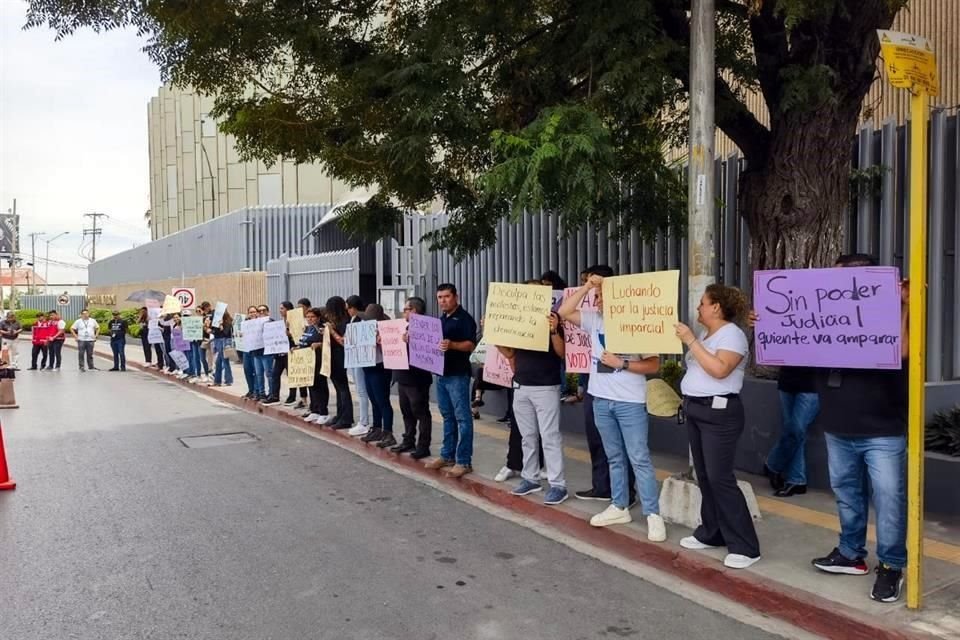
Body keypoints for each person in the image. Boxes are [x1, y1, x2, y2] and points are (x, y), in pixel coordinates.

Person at [810, 254, 909, 603]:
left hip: (882, 430)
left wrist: (904, 307)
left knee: (889, 500)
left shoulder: (890, 315)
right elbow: (794, 341)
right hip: (838, 427)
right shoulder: (823, 315)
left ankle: (891, 565)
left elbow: (903, 350)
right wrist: (771, 324)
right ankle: (851, 553)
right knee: (848, 496)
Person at [559, 267, 665, 541]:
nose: (598, 301)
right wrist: (586, 287)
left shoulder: (637, 322)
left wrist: (623, 364)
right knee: (614, 456)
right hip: (601, 399)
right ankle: (619, 505)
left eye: (602, 296)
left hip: (630, 400)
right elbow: (563, 311)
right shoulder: (594, 320)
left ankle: (653, 514)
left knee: (639, 457)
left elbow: (654, 364)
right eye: (596, 297)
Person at [674, 283, 760, 568]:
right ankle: (712, 532)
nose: (698, 307)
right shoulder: (706, 334)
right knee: (705, 475)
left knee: (720, 477)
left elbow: (720, 370)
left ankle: (746, 546)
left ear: (716, 307)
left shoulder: (732, 335)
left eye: (702, 302)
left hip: (720, 413)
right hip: (698, 410)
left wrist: (690, 341)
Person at [495, 307, 569, 506]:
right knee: (527, 436)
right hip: (521, 385)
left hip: (546, 387)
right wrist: (494, 335)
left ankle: (558, 485)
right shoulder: (519, 325)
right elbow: (510, 354)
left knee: (549, 437)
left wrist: (554, 330)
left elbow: (562, 353)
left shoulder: (552, 322)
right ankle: (530, 478)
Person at [424, 283, 477, 478]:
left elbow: (471, 345)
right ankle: (447, 455)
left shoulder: (465, 319)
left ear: (456, 297)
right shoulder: (440, 320)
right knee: (447, 416)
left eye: (446, 296)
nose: (443, 301)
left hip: (457, 375)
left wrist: (452, 345)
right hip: (441, 374)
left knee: (463, 417)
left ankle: (464, 460)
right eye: (440, 297)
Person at [393, 296, 433, 459]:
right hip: (403, 376)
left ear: (414, 311)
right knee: (406, 411)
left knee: (420, 411)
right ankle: (408, 439)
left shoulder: (427, 327)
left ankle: (423, 446)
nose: (404, 313)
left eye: (406, 309)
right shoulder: (403, 327)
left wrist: (413, 340)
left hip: (417, 378)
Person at [357, 304, 396, 447]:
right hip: (367, 365)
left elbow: (393, 348)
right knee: (373, 398)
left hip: (380, 366)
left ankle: (388, 432)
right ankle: (377, 427)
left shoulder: (386, 330)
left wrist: (380, 340)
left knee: (382, 400)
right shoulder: (363, 324)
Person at [322, 296, 353, 429]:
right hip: (333, 356)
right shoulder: (334, 321)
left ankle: (346, 417)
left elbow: (343, 341)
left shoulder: (345, 322)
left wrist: (331, 330)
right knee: (338, 388)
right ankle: (340, 414)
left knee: (343, 388)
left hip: (340, 356)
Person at [298, 307, 329, 423]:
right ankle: (314, 410)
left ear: (318, 317)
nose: (310, 319)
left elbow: (328, 343)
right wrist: (296, 347)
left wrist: (319, 344)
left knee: (320, 386)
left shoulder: (322, 329)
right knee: (311, 386)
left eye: (313, 317)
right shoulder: (308, 328)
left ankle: (323, 412)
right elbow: (303, 342)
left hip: (319, 361)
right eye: (308, 317)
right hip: (308, 362)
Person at [345, 295, 372, 432]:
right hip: (355, 357)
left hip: (361, 358)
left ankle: (364, 421)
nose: (347, 311)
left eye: (348, 308)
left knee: (362, 391)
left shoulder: (361, 320)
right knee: (360, 390)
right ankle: (364, 420)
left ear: (353, 308)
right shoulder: (353, 319)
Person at [264, 301, 296, 406]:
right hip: (279, 353)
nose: (280, 310)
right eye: (280, 308)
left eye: (282, 308)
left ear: (288, 309)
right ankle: (275, 396)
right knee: (275, 374)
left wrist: (289, 334)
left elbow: (297, 337)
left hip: (290, 352)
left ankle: (292, 396)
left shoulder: (294, 322)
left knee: (291, 375)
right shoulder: (279, 323)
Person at [283, 298, 312, 408]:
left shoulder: (309, 319)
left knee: (309, 378)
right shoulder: (295, 319)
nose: (299, 310)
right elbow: (293, 335)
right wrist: (289, 332)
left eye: (302, 308)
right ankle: (303, 399)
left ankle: (312, 402)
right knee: (301, 376)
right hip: (298, 348)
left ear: (307, 307)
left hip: (308, 350)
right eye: (298, 308)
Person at [255, 304, 275, 400]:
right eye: (260, 311)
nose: (262, 312)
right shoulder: (253, 324)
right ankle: (261, 393)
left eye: (264, 310)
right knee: (259, 374)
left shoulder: (272, 323)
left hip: (267, 352)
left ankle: (271, 393)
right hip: (257, 352)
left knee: (269, 373)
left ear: (268, 312)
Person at [210, 310, 234, 387]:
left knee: (224, 361)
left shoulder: (228, 322)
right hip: (217, 341)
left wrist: (221, 326)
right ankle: (219, 380)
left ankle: (227, 380)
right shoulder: (216, 321)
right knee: (219, 362)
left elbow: (225, 333)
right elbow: (214, 332)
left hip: (224, 341)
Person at [241, 306, 261, 398]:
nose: (252, 314)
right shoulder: (245, 323)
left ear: (257, 313)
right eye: (250, 312)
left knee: (256, 371)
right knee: (247, 370)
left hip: (256, 349)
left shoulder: (261, 322)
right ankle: (251, 390)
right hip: (247, 349)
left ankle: (257, 391)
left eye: (254, 312)